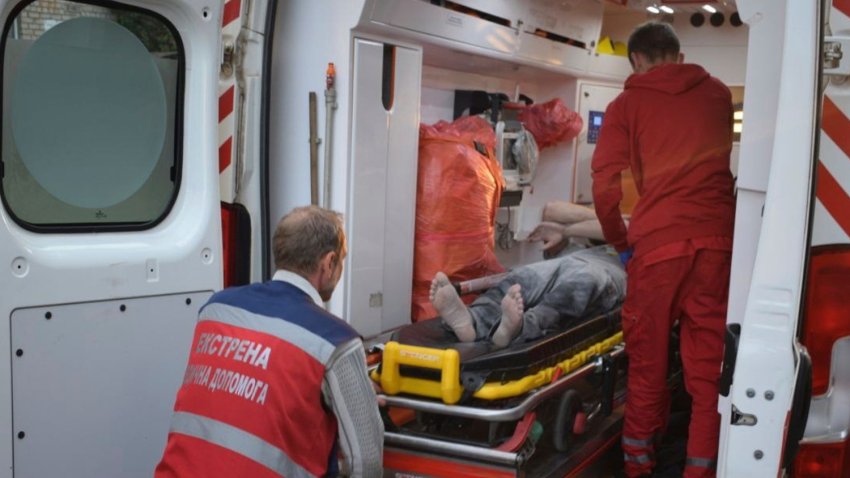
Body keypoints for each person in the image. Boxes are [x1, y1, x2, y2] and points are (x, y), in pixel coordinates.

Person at [591, 21, 736, 478]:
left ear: (636, 59)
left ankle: (639, 469)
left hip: (657, 250)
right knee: (709, 373)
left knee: (649, 368)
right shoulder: (718, 94)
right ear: (679, 53)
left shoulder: (626, 104)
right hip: (717, 244)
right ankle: (701, 470)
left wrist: (620, 243)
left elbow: (604, 188)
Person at [155, 206, 383, 478]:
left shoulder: (216, 309)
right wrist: (357, 396)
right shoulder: (335, 340)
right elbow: (366, 463)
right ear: (328, 262)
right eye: (342, 259)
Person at [430, 244, 626, 348]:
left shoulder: (644, 230)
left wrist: (567, 226)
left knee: (577, 288)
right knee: (522, 277)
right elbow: (555, 213)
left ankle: (520, 328)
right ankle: (473, 320)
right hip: (574, 257)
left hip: (612, 271)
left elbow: (622, 226)